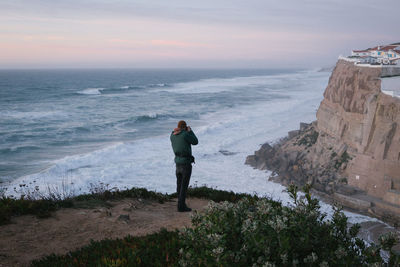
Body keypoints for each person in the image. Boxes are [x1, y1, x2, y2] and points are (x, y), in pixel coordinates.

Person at [170, 120, 198, 212]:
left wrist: (184, 130)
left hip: (177, 162)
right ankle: (181, 207)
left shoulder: (172, 135)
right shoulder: (185, 135)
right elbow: (195, 141)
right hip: (185, 163)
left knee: (179, 184)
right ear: (184, 127)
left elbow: (177, 134)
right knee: (184, 186)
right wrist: (190, 131)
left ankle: (180, 203)